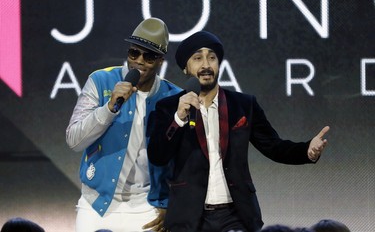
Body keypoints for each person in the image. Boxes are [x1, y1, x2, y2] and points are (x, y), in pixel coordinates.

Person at [147, 31, 329, 232]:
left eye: (212, 58)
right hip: (188, 217)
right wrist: (178, 119)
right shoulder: (168, 107)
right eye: (198, 58)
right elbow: (158, 156)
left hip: (236, 215)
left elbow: (273, 146)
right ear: (185, 68)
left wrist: (307, 151)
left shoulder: (243, 104)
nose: (206, 64)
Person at [66, 17, 182, 232]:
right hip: (96, 204)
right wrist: (109, 108)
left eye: (148, 56)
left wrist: (169, 204)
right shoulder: (100, 81)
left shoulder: (173, 97)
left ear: (160, 61)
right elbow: (74, 140)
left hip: (146, 208)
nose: (138, 61)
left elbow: (180, 160)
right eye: (133, 53)